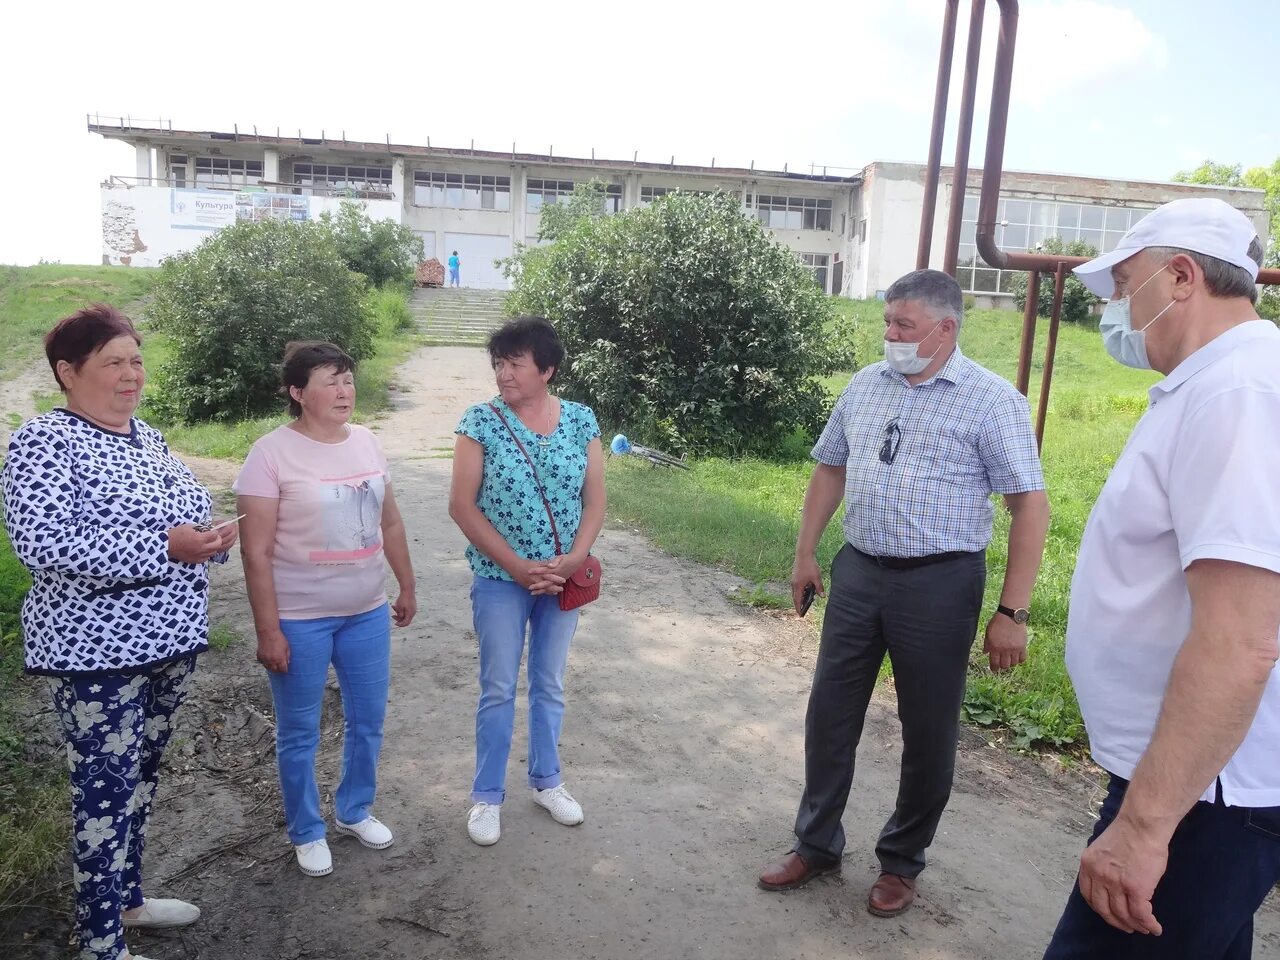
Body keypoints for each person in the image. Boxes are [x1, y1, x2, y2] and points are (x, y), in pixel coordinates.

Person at [757, 268, 1050, 917]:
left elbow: (1030, 506)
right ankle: (816, 842)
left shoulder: (990, 399)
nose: (891, 335)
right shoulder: (867, 386)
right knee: (829, 714)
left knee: (928, 730)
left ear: (946, 328)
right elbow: (830, 466)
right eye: (888, 322)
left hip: (940, 583)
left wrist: (1013, 612)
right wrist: (806, 553)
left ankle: (901, 862)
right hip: (860, 571)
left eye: (904, 325)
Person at [1043, 198, 1280, 959]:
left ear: (1180, 276)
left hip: (1202, 794)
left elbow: (1241, 639)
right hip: (1202, 783)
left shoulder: (1238, 394)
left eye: (1124, 285)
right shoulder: (1221, 383)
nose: (1116, 308)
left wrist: (1144, 827)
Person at [2, 304, 237, 960]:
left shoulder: (149, 438)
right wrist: (168, 546)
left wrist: (209, 536)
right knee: (103, 792)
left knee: (143, 777)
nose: (132, 373)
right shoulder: (45, 440)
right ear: (68, 372)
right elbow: (42, 542)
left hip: (170, 641)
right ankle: (101, 945)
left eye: (136, 359)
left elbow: (191, 503)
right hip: (96, 653)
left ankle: (127, 901)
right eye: (115, 362)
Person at [235, 341, 417, 878]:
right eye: (329, 381)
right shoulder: (269, 455)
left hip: (365, 610)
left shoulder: (367, 443)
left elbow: (390, 524)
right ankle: (307, 829)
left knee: (369, 720)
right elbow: (255, 551)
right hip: (299, 617)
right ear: (297, 393)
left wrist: (405, 584)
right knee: (300, 730)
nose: (344, 391)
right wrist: (269, 630)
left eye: (348, 378)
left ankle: (355, 809)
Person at [448, 315, 605, 846]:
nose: (504, 373)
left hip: (562, 579)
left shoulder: (581, 421)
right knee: (497, 688)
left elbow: (595, 499)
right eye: (498, 363)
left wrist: (573, 559)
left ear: (547, 370)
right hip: (499, 577)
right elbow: (462, 506)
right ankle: (487, 797)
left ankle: (547, 781)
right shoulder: (480, 422)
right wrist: (517, 566)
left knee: (550, 683)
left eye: (515, 363)